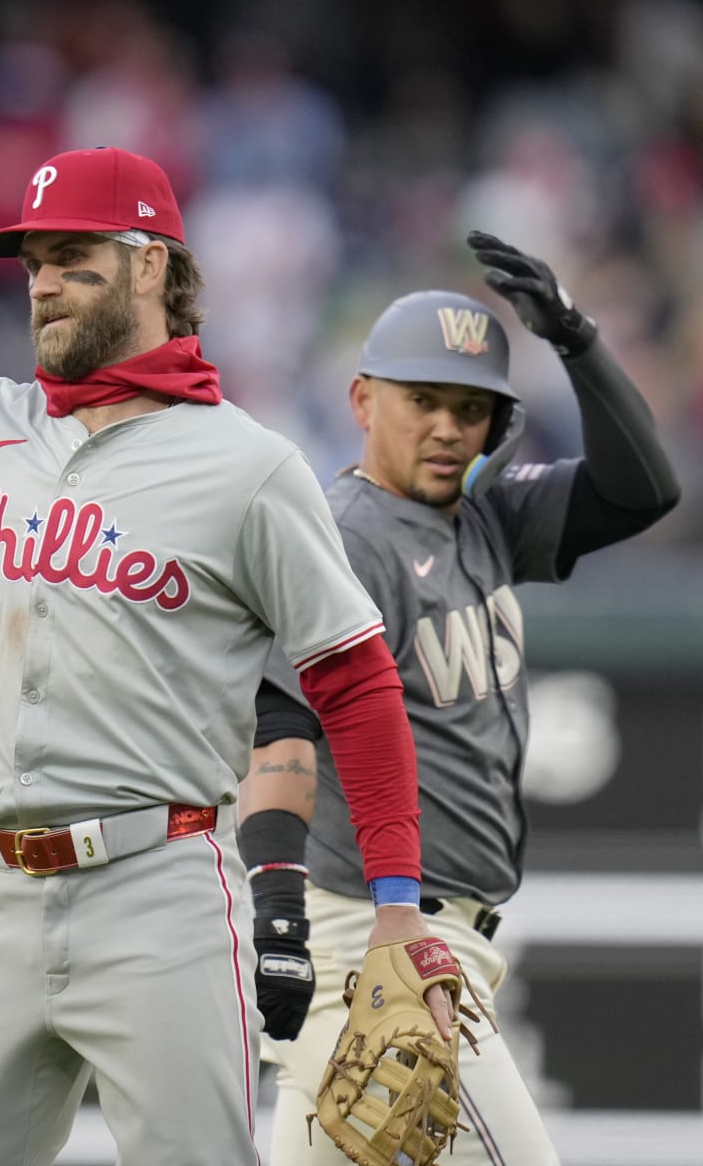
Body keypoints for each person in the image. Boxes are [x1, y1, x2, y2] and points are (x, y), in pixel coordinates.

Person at [0, 145, 452, 1166]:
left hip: (158, 893)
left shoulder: (246, 465)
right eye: (33, 258)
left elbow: (353, 681)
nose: (41, 280)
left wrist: (398, 906)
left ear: (147, 264)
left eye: (72, 256)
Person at [244, 233, 681, 1164]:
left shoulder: (486, 519)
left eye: (471, 408)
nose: (447, 427)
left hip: (430, 932)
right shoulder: (348, 536)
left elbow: (645, 490)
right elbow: (276, 720)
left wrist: (576, 341)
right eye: (424, 400)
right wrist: (277, 903)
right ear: (363, 401)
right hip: (383, 932)